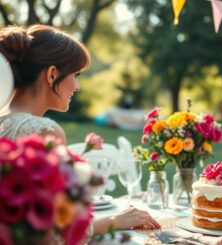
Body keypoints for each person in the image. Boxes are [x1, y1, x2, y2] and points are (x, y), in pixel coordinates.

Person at [0, 24, 160, 235]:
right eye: (76, 75)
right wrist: (115, 220)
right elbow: (62, 231)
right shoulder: (44, 131)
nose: (77, 86)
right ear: (51, 74)